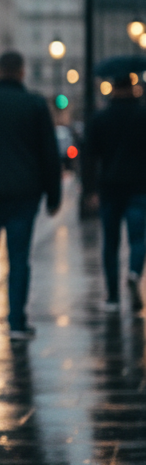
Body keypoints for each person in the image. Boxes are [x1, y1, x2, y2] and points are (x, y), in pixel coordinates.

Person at [0, 50, 62, 339]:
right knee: (19, 258)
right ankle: (16, 322)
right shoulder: (34, 105)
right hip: (23, 193)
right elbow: (49, 154)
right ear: (21, 72)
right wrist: (53, 196)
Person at [87, 73, 146, 312]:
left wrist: (90, 190)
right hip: (139, 187)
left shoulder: (101, 117)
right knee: (138, 238)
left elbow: (90, 156)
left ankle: (112, 296)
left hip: (109, 187)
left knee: (110, 243)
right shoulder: (143, 116)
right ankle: (133, 272)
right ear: (132, 87)